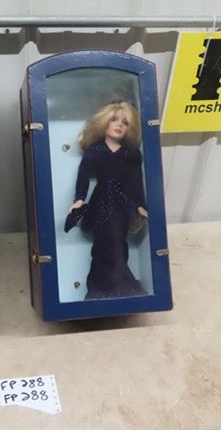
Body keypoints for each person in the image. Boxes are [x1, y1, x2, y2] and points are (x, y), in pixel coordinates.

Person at [66, 101, 148, 300]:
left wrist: (140, 204)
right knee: (101, 248)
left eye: (125, 123)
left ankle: (117, 289)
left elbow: (136, 181)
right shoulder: (95, 151)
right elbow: (83, 176)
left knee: (119, 245)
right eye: (114, 120)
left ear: (130, 129)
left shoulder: (132, 154)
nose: (119, 125)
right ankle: (101, 290)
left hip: (122, 205)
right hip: (101, 203)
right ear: (104, 122)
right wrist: (79, 199)